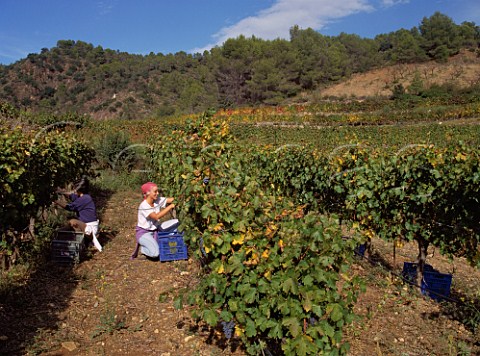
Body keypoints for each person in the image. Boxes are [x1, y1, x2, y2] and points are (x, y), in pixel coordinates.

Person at [55, 176, 102, 252]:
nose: (73, 190)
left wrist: (56, 201)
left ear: (79, 189)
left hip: (90, 228)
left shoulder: (85, 199)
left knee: (73, 222)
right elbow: (70, 195)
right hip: (85, 225)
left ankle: (83, 243)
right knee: (63, 230)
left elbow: (70, 207)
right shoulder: (82, 196)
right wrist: (61, 191)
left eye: (74, 189)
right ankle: (83, 243)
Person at [131, 182, 175, 259]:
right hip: (144, 233)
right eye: (155, 191)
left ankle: (152, 243)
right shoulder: (144, 205)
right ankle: (144, 249)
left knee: (175, 225)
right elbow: (156, 216)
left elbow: (170, 200)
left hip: (155, 229)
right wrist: (170, 206)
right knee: (155, 253)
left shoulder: (157, 200)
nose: (157, 193)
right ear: (148, 193)